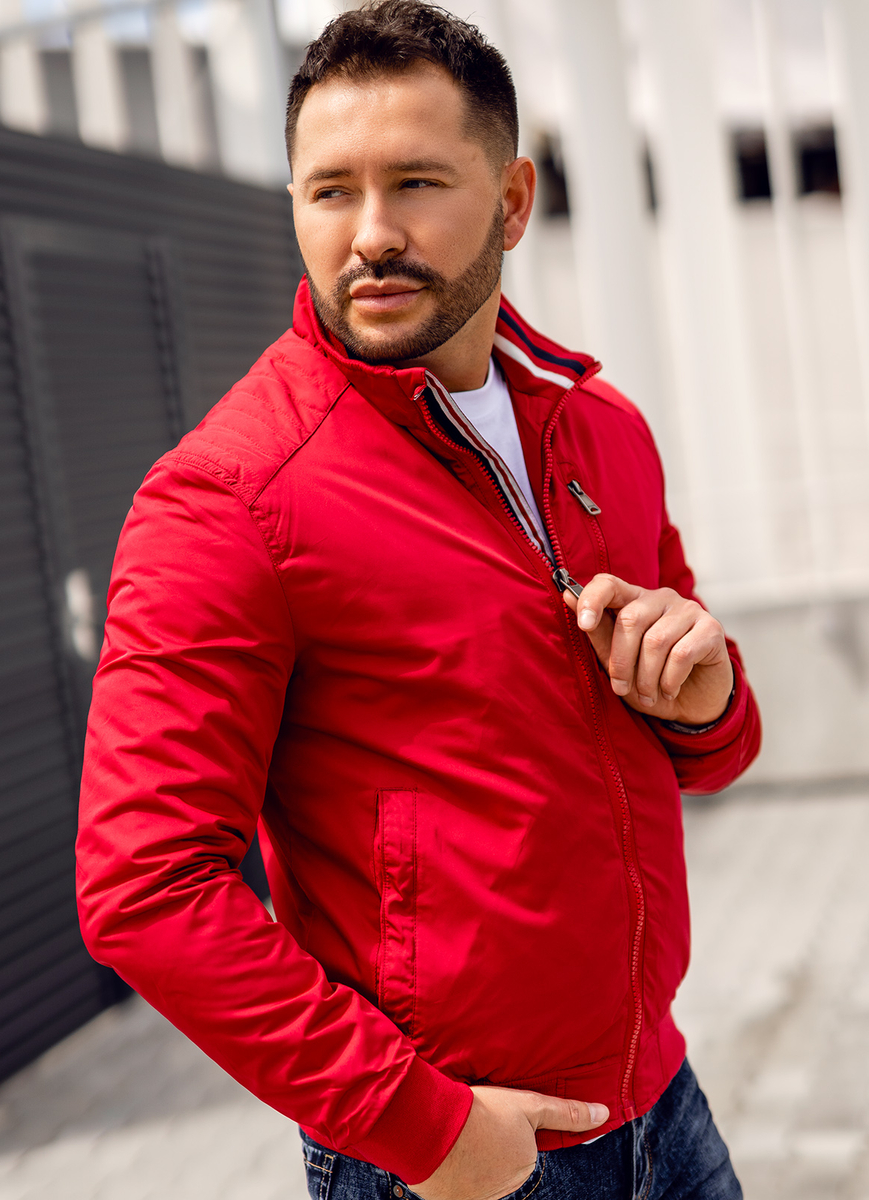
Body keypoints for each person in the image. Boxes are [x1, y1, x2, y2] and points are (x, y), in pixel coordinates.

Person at [76, 2, 761, 1197]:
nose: (371, 234)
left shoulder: (600, 429)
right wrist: (425, 1129)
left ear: (512, 201)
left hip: (663, 1104)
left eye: (417, 183)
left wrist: (707, 699)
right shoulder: (229, 496)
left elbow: (711, 749)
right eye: (330, 191)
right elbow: (146, 886)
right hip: (458, 1158)